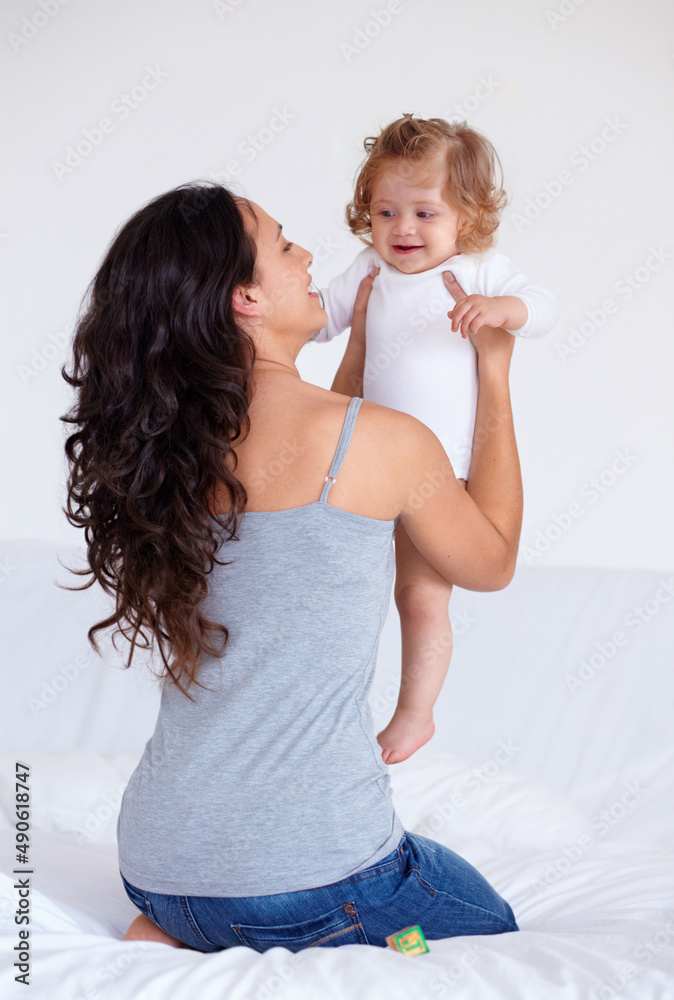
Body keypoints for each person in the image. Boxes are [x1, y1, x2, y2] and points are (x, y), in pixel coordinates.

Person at [60, 181, 521, 953]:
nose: (309, 256)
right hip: (324, 881)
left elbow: (304, 443)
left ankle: (186, 931)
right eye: (283, 245)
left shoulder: (166, 452)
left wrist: (365, 348)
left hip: (159, 869)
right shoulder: (383, 442)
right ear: (244, 297)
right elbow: (492, 560)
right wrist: (495, 371)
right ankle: (359, 940)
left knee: (229, 901)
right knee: (487, 927)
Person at [312, 115, 558, 766]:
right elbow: (320, 317)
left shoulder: (479, 272)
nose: (402, 230)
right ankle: (332, 710)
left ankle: (416, 713)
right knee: (354, 592)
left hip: (437, 479)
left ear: (469, 217)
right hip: (367, 470)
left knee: (421, 599)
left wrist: (502, 311)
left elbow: (543, 306)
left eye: (424, 212)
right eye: (385, 211)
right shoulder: (370, 269)